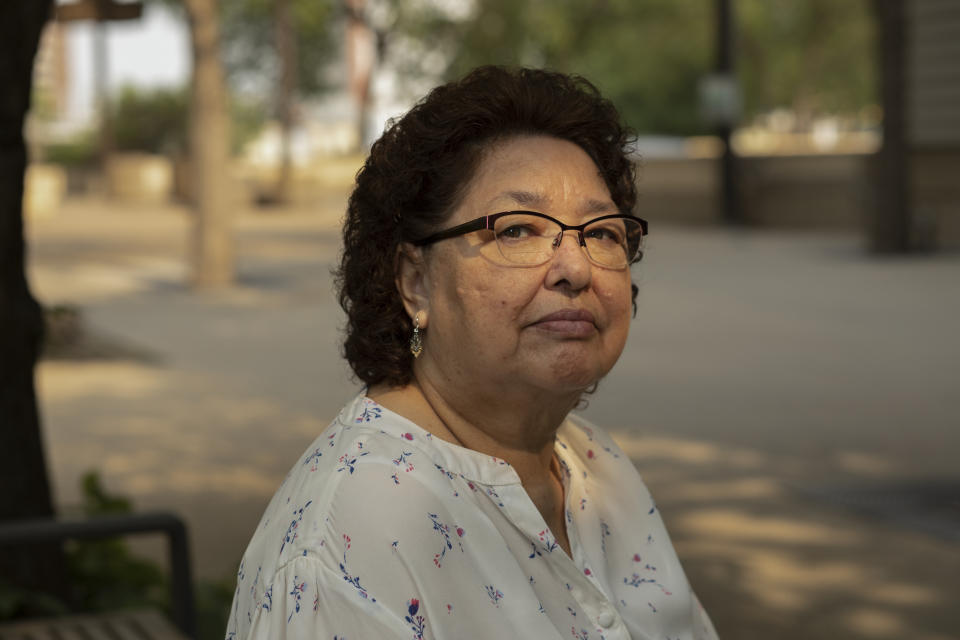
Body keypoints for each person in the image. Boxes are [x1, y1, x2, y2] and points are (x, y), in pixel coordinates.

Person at [226, 66, 718, 640]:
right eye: (516, 230)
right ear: (415, 281)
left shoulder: (594, 464)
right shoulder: (350, 543)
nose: (576, 267)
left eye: (601, 232)